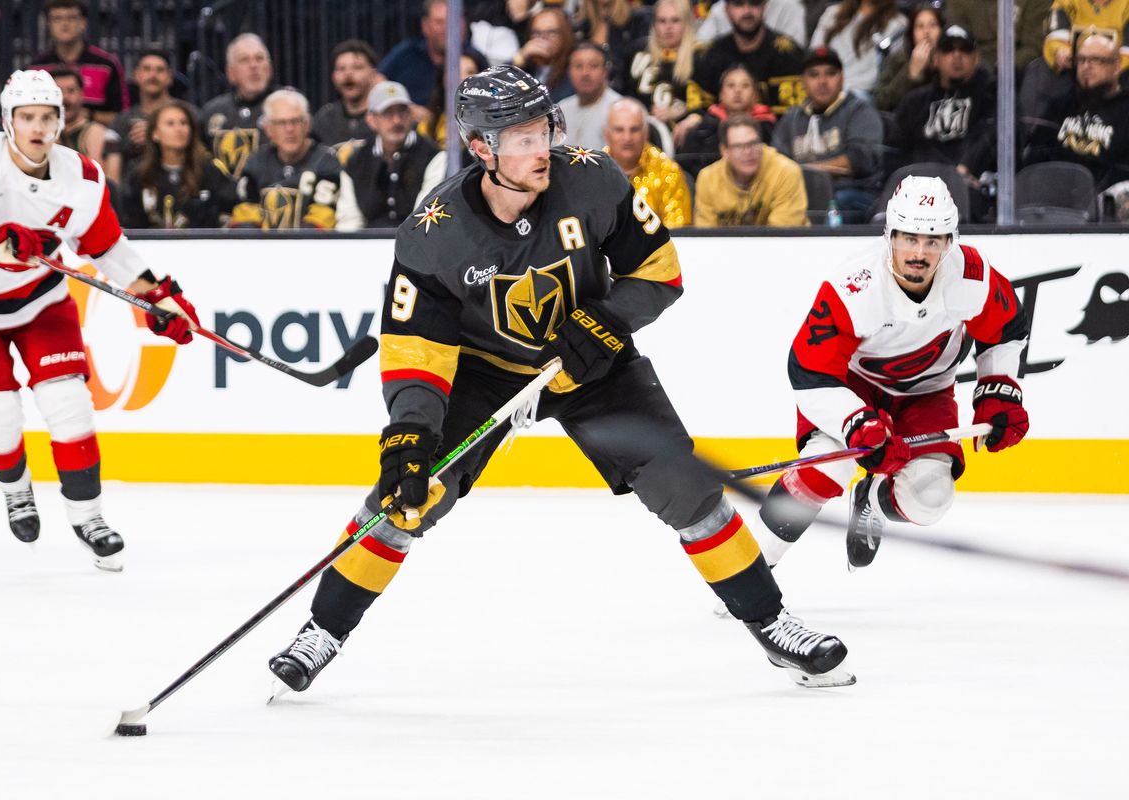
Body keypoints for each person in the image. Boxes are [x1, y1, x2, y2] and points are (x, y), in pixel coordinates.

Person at [267, 65, 853, 694]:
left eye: (542, 129)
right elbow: (418, 352)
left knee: (688, 491)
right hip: (484, 373)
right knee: (406, 498)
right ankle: (323, 629)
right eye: (519, 138)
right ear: (481, 147)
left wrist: (603, 322)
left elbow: (660, 271)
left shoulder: (593, 176)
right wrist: (408, 435)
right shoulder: (432, 234)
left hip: (594, 362)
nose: (540, 147)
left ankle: (771, 622)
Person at [0, 70, 200, 570]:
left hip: (39, 302)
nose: (37, 127)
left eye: (47, 117)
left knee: (68, 403)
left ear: (61, 121)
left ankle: (89, 518)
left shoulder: (83, 176)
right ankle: (16, 491)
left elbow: (107, 247)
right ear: (9, 121)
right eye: (26, 117)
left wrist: (158, 297)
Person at [752, 176, 1029, 570]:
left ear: (950, 242)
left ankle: (875, 495)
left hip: (927, 391)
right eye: (909, 239)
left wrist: (999, 390)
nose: (920, 252)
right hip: (851, 388)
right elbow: (810, 372)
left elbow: (1006, 330)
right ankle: (751, 567)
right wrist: (856, 422)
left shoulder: (971, 275)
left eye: (933, 241)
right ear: (890, 235)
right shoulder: (853, 287)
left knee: (930, 498)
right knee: (828, 466)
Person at [771, 46, 883, 223]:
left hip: (851, 193)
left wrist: (807, 171)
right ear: (802, 82)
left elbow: (858, 160)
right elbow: (776, 163)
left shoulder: (858, 111)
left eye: (830, 73)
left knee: (838, 202)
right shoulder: (791, 119)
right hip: (799, 193)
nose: (822, 81)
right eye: (813, 75)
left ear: (842, 77)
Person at [230, 88, 363, 230]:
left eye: (296, 121)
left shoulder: (327, 162)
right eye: (281, 123)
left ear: (307, 125)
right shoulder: (256, 162)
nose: (289, 129)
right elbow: (245, 220)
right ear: (268, 128)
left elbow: (321, 222)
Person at [888, 25, 996, 199]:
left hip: (966, 191)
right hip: (915, 190)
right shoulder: (915, 101)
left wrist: (967, 167)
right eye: (948, 49)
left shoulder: (990, 98)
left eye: (965, 49)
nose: (957, 56)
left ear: (976, 58)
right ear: (936, 58)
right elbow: (895, 152)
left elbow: (990, 140)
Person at [1024, 30, 1129, 192]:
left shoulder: (1125, 110)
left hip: (1105, 206)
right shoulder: (1061, 104)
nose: (1086, 66)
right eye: (1081, 60)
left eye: (1096, 60)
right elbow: (1035, 154)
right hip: (1053, 197)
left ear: (1116, 67)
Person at [342, 81, 447, 229]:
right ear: (371, 120)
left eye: (402, 112)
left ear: (411, 115)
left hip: (416, 244)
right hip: (366, 247)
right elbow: (348, 222)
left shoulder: (433, 157)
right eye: (388, 113)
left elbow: (425, 218)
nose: (397, 120)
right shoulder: (355, 161)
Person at [120, 100, 236, 229]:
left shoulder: (210, 170)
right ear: (155, 134)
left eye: (184, 123)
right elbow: (131, 223)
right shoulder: (139, 174)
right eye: (170, 124)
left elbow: (228, 212)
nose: (179, 129)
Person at [691, 0, 806, 116]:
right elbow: (700, 111)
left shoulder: (787, 53)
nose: (747, 11)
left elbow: (793, 118)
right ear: (726, 10)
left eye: (754, 3)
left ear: (764, 7)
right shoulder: (710, 55)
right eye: (738, 4)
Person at [694, 114, 808, 226]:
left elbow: (782, 234)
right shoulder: (707, 178)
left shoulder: (786, 171)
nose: (748, 152)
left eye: (753, 143)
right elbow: (706, 235)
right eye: (738, 146)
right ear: (724, 151)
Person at [30, 0, 128, 126]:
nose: (64, 24)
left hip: (96, 139)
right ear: (48, 24)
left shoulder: (107, 65)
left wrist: (89, 115)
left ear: (83, 23)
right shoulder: (35, 68)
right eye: (57, 18)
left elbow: (122, 118)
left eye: (71, 18)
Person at [377, 0, 489, 110]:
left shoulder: (476, 60)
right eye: (439, 22)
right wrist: (407, 109)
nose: (447, 29)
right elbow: (376, 81)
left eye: (453, 21)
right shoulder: (406, 53)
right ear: (425, 26)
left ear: (464, 24)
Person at [604, 98, 692, 227]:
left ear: (646, 133)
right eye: (619, 130)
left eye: (634, 130)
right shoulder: (594, 171)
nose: (627, 138)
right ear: (607, 134)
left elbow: (678, 231)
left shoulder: (668, 171)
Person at [199, 33, 277, 179]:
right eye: (244, 60)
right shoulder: (212, 111)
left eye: (259, 58)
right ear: (231, 73)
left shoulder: (287, 105)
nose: (254, 66)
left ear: (269, 68)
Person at [676, 63, 777, 175]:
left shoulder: (768, 128)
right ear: (721, 94)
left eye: (745, 86)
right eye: (730, 85)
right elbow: (686, 170)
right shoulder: (703, 130)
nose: (737, 90)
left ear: (755, 95)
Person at [622, 0, 703, 132]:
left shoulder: (700, 57)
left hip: (680, 134)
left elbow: (708, 105)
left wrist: (683, 113)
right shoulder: (636, 51)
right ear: (654, 24)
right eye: (662, 21)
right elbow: (624, 93)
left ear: (687, 23)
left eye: (675, 20)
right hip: (636, 128)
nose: (668, 27)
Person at [809, 0, 907, 95]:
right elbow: (814, 54)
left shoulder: (897, 25)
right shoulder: (832, 13)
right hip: (824, 88)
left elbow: (891, 71)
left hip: (861, 92)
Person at [52, 67, 121, 184]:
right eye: (58, 92)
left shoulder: (108, 137)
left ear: (82, 94)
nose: (65, 98)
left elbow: (113, 187)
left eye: (71, 91)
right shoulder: (39, 136)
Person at [112, 48, 176, 175]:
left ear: (170, 77)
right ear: (136, 75)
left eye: (160, 70)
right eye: (147, 69)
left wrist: (156, 135)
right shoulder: (122, 120)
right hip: (132, 190)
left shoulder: (188, 115)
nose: (153, 75)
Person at [872, 1, 944, 113]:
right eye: (920, 27)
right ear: (912, 33)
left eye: (933, 25)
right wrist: (910, 74)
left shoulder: (951, 57)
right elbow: (881, 102)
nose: (926, 32)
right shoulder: (899, 58)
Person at [311, 40, 381, 154]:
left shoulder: (385, 117)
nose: (348, 74)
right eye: (342, 68)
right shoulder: (325, 118)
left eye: (357, 67)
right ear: (334, 77)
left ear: (373, 75)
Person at [557, 43, 625, 150]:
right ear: (569, 72)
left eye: (593, 66)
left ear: (605, 71)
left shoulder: (622, 110)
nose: (585, 73)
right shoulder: (561, 109)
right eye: (578, 66)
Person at [1044, 0, 1129, 73]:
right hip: (1072, 65)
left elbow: (1127, 49)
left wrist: (1115, 66)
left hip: (1115, 70)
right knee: (1039, 71)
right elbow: (1056, 35)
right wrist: (1060, 51)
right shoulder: (1064, 1)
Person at [512, 7, 578, 101]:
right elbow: (499, 87)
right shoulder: (527, 64)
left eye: (552, 32)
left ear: (565, 35)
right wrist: (521, 57)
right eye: (537, 33)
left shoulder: (573, 66)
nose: (543, 38)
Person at [697, 0, 809, 48]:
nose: (746, 11)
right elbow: (700, 45)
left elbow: (795, 50)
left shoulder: (791, 6)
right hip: (731, 80)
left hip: (775, 75)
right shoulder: (722, 7)